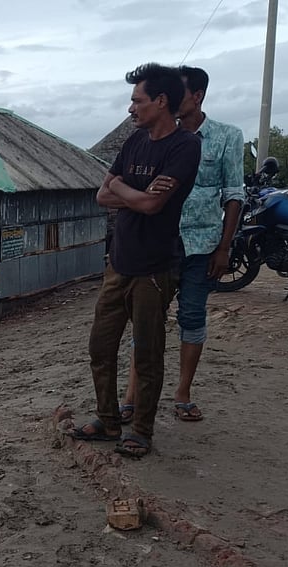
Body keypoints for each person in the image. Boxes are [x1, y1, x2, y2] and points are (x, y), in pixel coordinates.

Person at [69, 62, 201, 457]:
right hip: (118, 264)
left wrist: (126, 188)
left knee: (147, 353)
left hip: (154, 270)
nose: (131, 109)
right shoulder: (133, 143)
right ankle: (108, 420)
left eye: (136, 101)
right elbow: (102, 196)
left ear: (161, 102)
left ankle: (140, 429)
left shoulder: (185, 146)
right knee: (100, 347)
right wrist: (135, 192)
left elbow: (152, 204)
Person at [117, 66, 243, 425]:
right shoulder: (154, 137)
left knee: (191, 315)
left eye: (180, 94)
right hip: (157, 241)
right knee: (146, 319)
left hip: (200, 242)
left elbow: (233, 193)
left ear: (197, 96)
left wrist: (224, 246)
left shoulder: (224, 137)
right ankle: (131, 393)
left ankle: (183, 392)